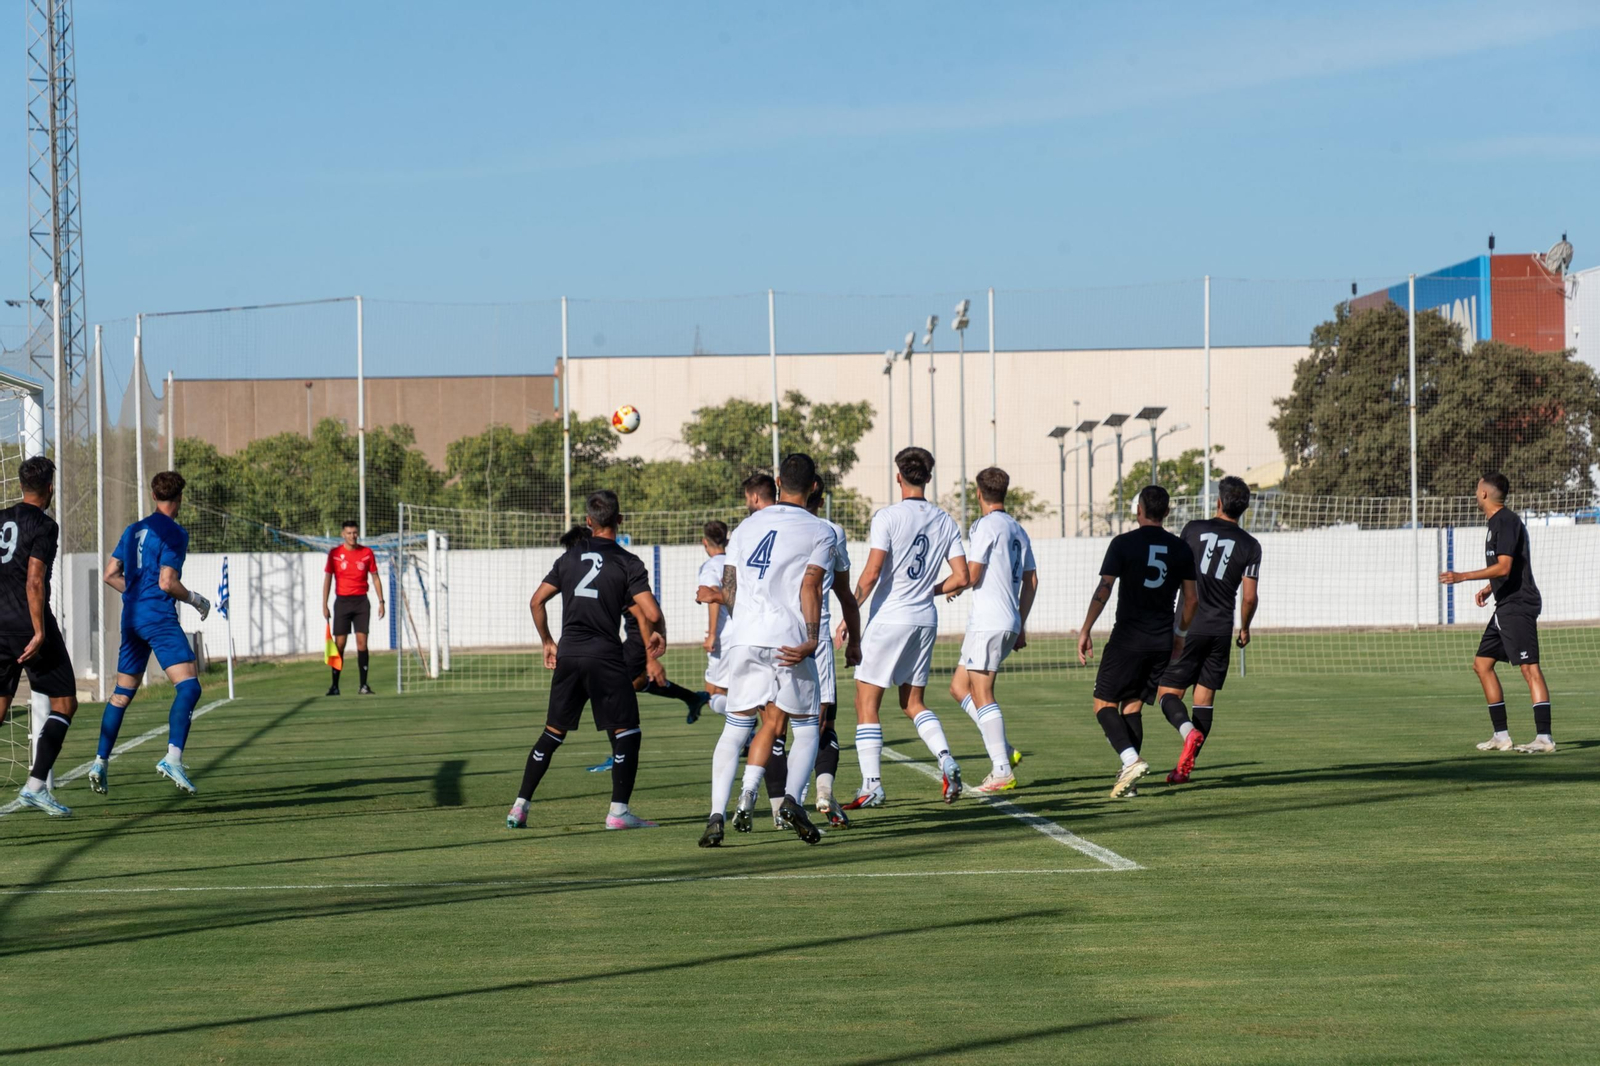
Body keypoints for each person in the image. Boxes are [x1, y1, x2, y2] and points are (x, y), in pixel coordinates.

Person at [695, 452, 844, 847]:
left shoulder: (745, 528)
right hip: (788, 637)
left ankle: (715, 815)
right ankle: (792, 800)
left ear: (778, 483)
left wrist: (721, 601)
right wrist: (812, 639)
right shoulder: (820, 530)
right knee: (807, 724)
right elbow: (810, 586)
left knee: (735, 728)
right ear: (814, 487)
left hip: (743, 637)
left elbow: (729, 591)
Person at [509, 490, 665, 831]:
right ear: (619, 520)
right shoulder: (628, 562)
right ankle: (618, 814)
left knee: (552, 733)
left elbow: (536, 601)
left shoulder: (568, 558)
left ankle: (520, 806)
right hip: (605, 656)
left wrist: (548, 642)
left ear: (588, 522)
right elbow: (651, 612)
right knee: (628, 733)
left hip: (569, 654)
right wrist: (659, 632)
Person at [842, 446, 970, 810]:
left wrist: (848, 613)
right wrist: (930, 589)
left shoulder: (887, 517)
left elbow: (871, 573)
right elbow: (961, 577)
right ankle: (946, 758)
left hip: (890, 619)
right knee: (913, 702)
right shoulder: (945, 520)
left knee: (866, 702)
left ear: (898, 476)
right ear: (928, 478)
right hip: (925, 619)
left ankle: (871, 785)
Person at [92, 471, 211, 796]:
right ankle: (173, 757)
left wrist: (133, 594)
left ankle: (100, 761)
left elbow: (109, 574)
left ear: (153, 495)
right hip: (158, 617)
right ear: (180, 498)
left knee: (121, 694)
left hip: (131, 618)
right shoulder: (174, 532)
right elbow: (167, 582)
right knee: (189, 687)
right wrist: (196, 599)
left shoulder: (133, 530)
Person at [1076, 484, 1197, 799]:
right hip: (1161, 642)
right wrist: (1180, 636)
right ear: (1167, 512)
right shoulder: (1181, 548)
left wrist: (1086, 628)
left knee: (1103, 704)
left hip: (1128, 638)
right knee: (1131, 707)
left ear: (1139, 510)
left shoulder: (1123, 543)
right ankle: (1130, 782)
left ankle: (1131, 759)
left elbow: (1104, 589)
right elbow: (1191, 601)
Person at [760, 484, 863, 828]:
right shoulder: (831, 532)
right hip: (811, 639)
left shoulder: (765, 526)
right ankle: (820, 791)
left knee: (774, 727)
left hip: (769, 639)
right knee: (822, 725)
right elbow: (843, 592)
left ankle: (778, 809)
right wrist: (854, 641)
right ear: (818, 497)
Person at [1151, 475, 1261, 784]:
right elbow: (1249, 597)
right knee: (1204, 699)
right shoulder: (1251, 546)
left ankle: (1188, 734)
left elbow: (1175, 573)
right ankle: (1185, 767)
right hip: (1220, 629)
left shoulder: (1193, 529)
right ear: (1244, 508)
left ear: (1218, 501)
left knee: (1167, 692)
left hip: (1188, 625)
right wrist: (1245, 629)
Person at [1439, 473, 1553, 753]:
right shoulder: (1494, 524)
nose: (1475, 491)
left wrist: (1463, 576)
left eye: (1477, 487)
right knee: (1482, 664)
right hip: (1505, 605)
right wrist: (1490, 588)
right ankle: (1501, 736)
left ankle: (1544, 738)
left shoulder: (1506, 521)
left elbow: (1504, 566)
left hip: (1518, 605)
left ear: (1485, 494)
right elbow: (1506, 569)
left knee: (1529, 668)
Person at [946, 467, 1036, 794]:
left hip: (989, 620)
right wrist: (1021, 622)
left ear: (979, 493)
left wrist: (944, 587)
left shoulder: (985, 526)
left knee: (983, 693)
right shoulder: (1017, 528)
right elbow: (1032, 580)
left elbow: (971, 574)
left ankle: (1001, 770)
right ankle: (1005, 749)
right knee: (959, 687)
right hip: (1004, 618)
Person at [1, 457, 79, 817]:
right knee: (64, 703)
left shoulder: (1, 519)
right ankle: (35, 786)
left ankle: (36, 787)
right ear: (50, 488)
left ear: (20, 486)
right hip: (27, 626)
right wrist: (39, 630)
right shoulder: (45, 526)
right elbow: (34, 581)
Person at [321, 520, 385, 696]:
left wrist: (381, 601)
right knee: (339, 644)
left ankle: (363, 685)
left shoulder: (366, 553)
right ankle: (334, 686)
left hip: (361, 602)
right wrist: (324, 604)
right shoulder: (334, 554)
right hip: (342, 602)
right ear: (343, 534)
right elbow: (328, 579)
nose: (352, 536)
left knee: (362, 642)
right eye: (349, 533)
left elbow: (375, 577)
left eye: (355, 532)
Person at [697, 519, 732, 718]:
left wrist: (712, 634)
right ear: (726, 541)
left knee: (711, 695)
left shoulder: (710, 566)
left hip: (724, 638)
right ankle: (747, 736)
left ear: (705, 542)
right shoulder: (735, 562)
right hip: (745, 633)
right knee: (734, 690)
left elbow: (714, 597)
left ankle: (748, 720)